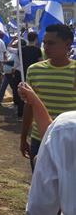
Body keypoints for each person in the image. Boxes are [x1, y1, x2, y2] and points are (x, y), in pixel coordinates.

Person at [18, 83, 76, 215]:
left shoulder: (66, 128)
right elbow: (58, 137)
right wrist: (35, 102)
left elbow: (39, 214)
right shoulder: (65, 129)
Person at [20, 24, 76, 170]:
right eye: (44, 43)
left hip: (69, 141)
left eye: (51, 43)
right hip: (40, 139)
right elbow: (29, 106)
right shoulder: (34, 70)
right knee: (41, 187)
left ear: (68, 44)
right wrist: (23, 136)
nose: (45, 47)